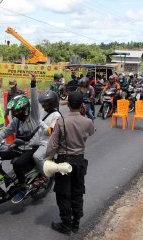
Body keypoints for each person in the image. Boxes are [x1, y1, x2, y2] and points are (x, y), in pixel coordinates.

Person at [45, 91, 95, 235]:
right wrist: (84, 114)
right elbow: (91, 132)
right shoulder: (88, 121)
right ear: (82, 105)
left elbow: (53, 145)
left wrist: (48, 159)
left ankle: (65, 224)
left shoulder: (61, 121)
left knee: (63, 193)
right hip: (79, 161)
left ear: (67, 104)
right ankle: (75, 224)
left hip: (63, 162)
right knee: (77, 192)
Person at [0, 75, 40, 204]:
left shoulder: (34, 117)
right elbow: (5, 131)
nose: (15, 113)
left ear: (24, 109)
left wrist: (33, 84)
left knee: (17, 164)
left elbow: (35, 101)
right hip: (18, 148)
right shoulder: (16, 120)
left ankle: (23, 187)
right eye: (14, 111)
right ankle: (3, 182)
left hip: (31, 149)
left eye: (17, 111)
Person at [30, 90, 61, 176]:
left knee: (37, 157)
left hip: (47, 142)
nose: (43, 105)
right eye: (42, 103)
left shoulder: (56, 116)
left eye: (45, 103)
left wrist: (40, 122)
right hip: (38, 139)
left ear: (51, 103)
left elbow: (50, 132)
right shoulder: (43, 112)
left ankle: (46, 175)